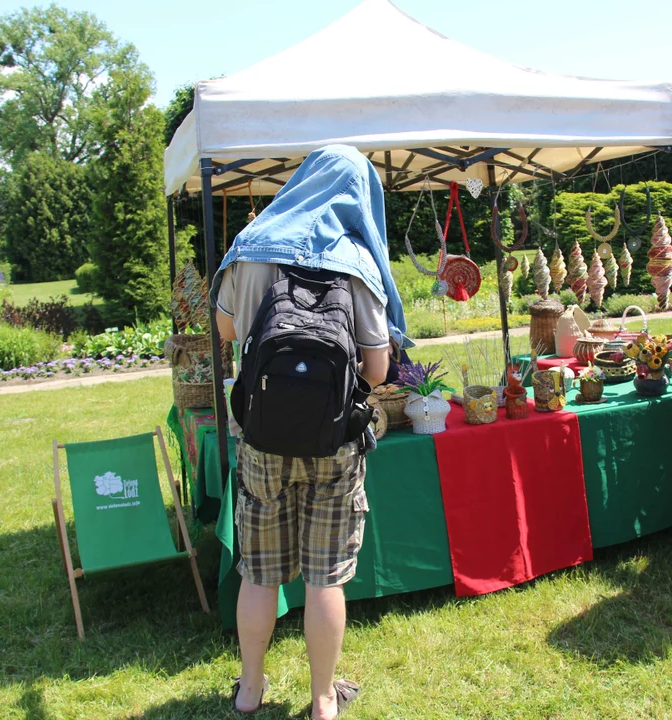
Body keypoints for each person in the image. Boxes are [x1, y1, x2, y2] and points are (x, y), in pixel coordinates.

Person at [213, 145, 400, 720]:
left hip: (264, 440)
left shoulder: (249, 247)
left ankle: (250, 686)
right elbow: (376, 370)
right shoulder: (357, 262)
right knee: (324, 579)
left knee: (261, 573)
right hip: (334, 442)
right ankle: (322, 699)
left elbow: (225, 330)